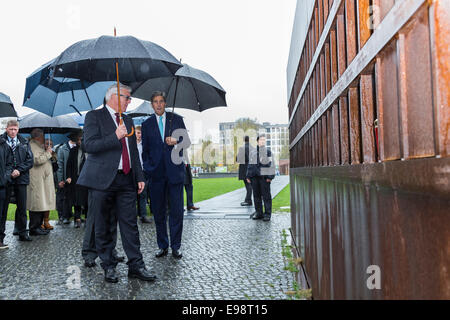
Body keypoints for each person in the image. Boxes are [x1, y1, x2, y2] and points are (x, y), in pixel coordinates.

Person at [77, 83, 156, 283]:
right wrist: (115, 136)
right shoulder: (94, 117)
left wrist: (139, 176)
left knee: (130, 224)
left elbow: (133, 153)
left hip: (126, 179)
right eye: (127, 97)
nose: (130, 101)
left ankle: (136, 265)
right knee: (104, 225)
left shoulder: (128, 120)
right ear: (114, 96)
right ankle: (109, 265)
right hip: (102, 180)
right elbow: (89, 145)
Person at [141, 91, 191, 259]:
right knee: (159, 212)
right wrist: (149, 168)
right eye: (155, 101)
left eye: (161, 101)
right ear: (152, 104)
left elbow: (187, 142)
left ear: (165, 103)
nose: (159, 104)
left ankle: (176, 246)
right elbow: (145, 151)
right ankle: (162, 246)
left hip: (175, 173)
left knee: (176, 211)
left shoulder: (176, 119)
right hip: (156, 176)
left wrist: (176, 141)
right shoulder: (147, 124)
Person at [1, 120, 33, 241]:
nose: (13, 132)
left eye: (15, 129)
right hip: (5, 179)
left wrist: (19, 170)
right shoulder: (1, 141)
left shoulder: (24, 142)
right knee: (3, 209)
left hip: (21, 178)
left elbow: (30, 161)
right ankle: (1, 236)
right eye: (11, 129)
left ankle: (22, 232)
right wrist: (8, 173)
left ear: (18, 130)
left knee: (22, 207)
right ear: (6, 129)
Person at [27, 129, 56, 235]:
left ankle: (38, 226)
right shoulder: (32, 145)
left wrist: (47, 151)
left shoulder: (38, 145)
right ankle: (34, 228)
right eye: (43, 136)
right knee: (37, 204)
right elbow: (37, 160)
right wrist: (48, 153)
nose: (44, 137)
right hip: (37, 180)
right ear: (38, 136)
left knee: (41, 204)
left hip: (42, 181)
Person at [246, 134, 275, 222]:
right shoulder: (253, 152)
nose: (262, 141)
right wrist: (248, 175)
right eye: (261, 140)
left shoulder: (268, 152)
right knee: (256, 196)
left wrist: (270, 177)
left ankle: (267, 214)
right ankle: (259, 213)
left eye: (264, 140)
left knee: (266, 196)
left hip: (264, 178)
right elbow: (250, 165)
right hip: (254, 178)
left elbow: (271, 165)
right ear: (257, 141)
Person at [65, 132, 88, 228]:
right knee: (76, 199)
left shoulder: (89, 151)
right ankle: (77, 219)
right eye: (78, 140)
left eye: (81, 140)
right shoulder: (73, 150)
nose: (80, 142)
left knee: (87, 199)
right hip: (76, 178)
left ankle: (87, 218)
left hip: (88, 179)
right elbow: (69, 165)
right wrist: (69, 176)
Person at [57, 133, 80, 224]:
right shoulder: (63, 149)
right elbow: (60, 165)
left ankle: (75, 216)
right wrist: (60, 180)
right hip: (66, 177)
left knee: (76, 197)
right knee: (65, 198)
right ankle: (64, 216)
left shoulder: (79, 148)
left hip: (76, 177)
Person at [135, 126, 151, 223]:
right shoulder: (131, 144)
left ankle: (143, 215)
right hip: (133, 171)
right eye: (137, 133)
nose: (139, 135)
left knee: (143, 194)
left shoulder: (144, 145)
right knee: (133, 194)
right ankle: (134, 214)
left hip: (143, 171)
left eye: (141, 133)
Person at [0, 134, 14, 249]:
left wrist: (5, 178)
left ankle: (0, 239)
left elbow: (10, 164)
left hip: (2, 185)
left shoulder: (4, 146)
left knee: (2, 214)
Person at [236, 135, 254, 207]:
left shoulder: (242, 148)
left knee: (248, 185)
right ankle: (248, 199)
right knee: (250, 184)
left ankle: (248, 200)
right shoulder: (253, 148)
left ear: (244, 140)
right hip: (252, 167)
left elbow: (238, 159)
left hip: (245, 168)